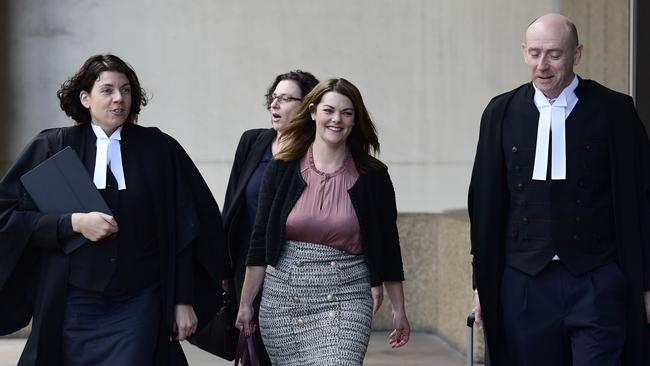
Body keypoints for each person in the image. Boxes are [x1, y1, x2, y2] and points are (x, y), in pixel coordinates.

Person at [0, 54, 225, 365]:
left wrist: (183, 299)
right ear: (85, 97)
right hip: (72, 303)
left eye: (127, 90)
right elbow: (7, 217)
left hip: (139, 302)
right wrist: (71, 224)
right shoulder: (53, 146)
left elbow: (187, 228)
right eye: (107, 90)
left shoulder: (159, 149)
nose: (119, 98)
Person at [468, 13, 650, 366]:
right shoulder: (500, 112)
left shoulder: (615, 111)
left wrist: (646, 282)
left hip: (597, 281)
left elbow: (642, 200)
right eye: (535, 53)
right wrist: (481, 286)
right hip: (523, 285)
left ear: (577, 53)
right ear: (524, 52)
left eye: (554, 54)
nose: (543, 65)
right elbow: (485, 206)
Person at [235, 78, 410, 365]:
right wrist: (245, 304)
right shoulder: (282, 169)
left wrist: (399, 310)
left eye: (347, 113)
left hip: (347, 297)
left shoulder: (372, 176)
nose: (337, 120)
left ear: (355, 120)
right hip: (284, 300)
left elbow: (388, 246)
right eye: (329, 110)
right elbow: (260, 241)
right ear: (313, 112)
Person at [222, 70, 319, 365]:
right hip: (246, 267)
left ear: (307, 107)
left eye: (286, 99)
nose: (275, 105)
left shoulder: (315, 153)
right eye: (273, 98)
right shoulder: (252, 142)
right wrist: (223, 268)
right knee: (254, 354)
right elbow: (232, 206)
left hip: (290, 271)